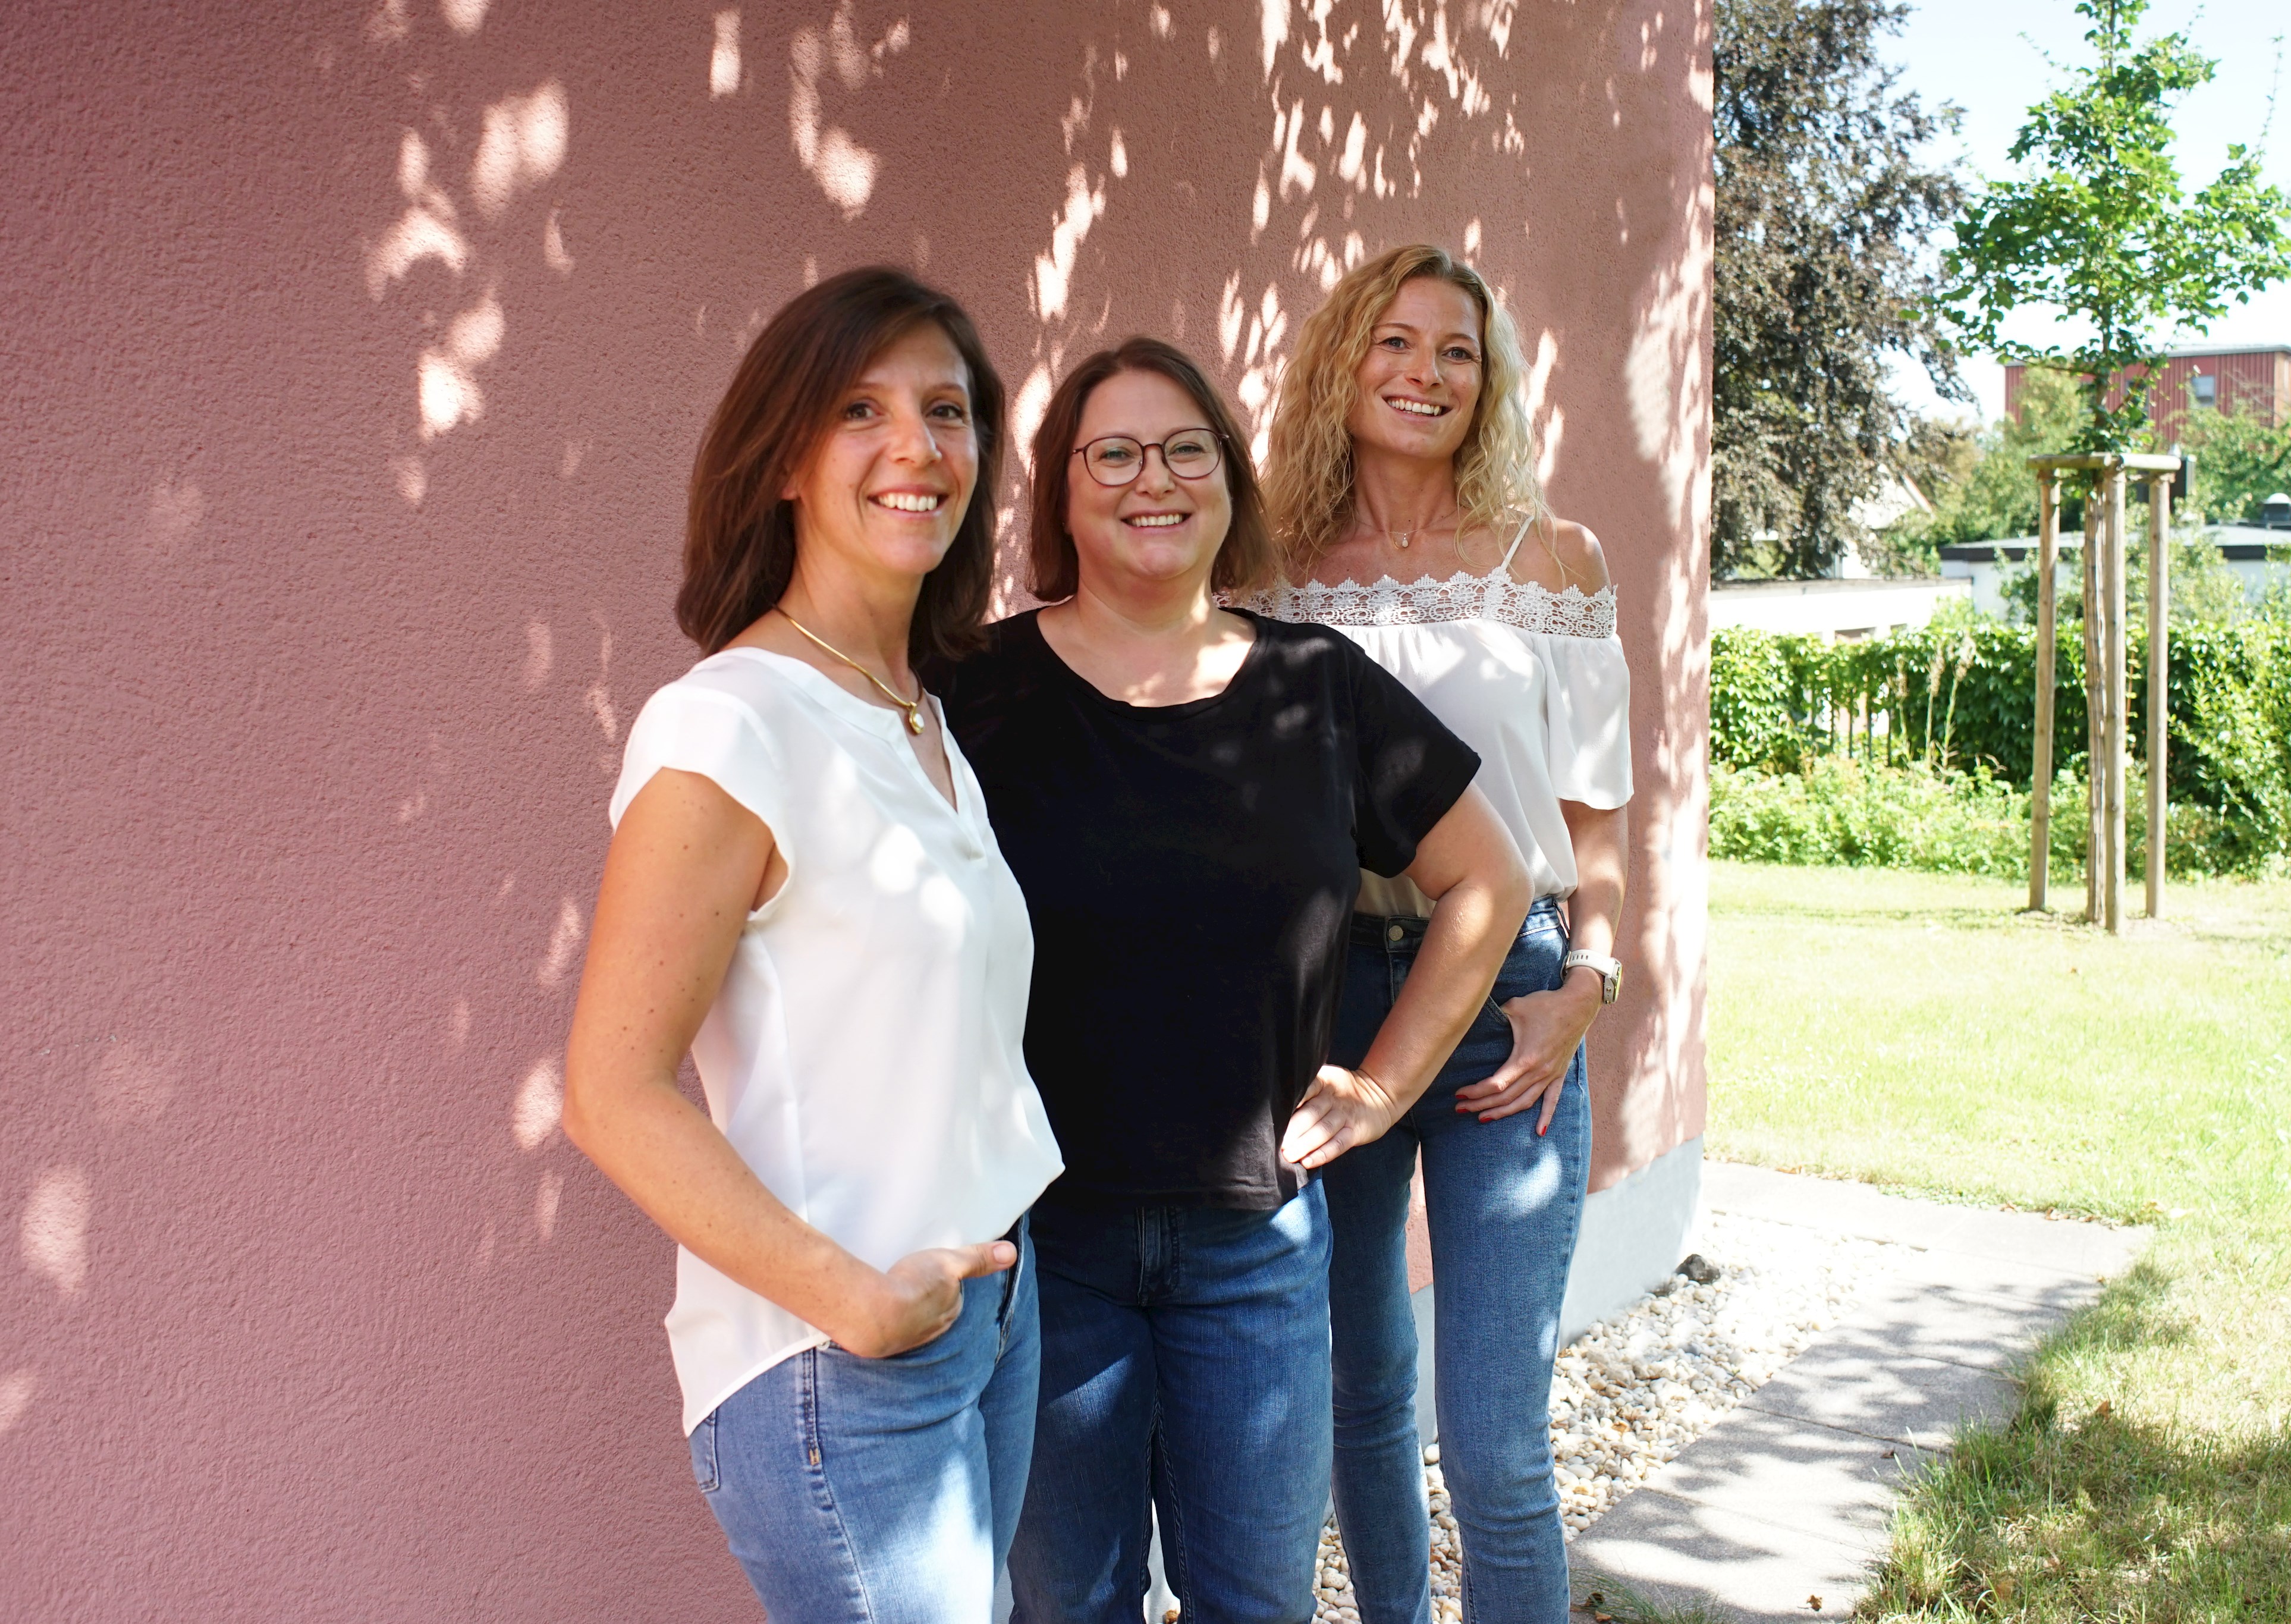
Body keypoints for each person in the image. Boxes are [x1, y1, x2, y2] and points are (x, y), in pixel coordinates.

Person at [929, 336, 1531, 1623]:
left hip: (1253, 1243)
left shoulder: (1313, 688)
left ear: (1227, 483)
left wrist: (1381, 1087)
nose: (1155, 478)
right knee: (1068, 1606)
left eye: (1187, 448)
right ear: (1063, 490)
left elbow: (1491, 879)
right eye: (1115, 453)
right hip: (1044, 1243)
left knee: (1254, 1604)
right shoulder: (967, 692)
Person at [561, 267, 1065, 1622]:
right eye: (860, 409)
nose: (918, 447)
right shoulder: (729, 724)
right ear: (785, 456)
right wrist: (852, 1298)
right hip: (837, 1355)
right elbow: (609, 1089)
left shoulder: (917, 715)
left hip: (986, 1310)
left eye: (946, 411)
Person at [1239, 246, 1632, 1622]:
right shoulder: (1266, 573)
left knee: (1496, 1442)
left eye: (1454, 350)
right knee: (1359, 1397)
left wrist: (1586, 983)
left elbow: (1593, 829)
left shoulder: (1553, 562)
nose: (1423, 373)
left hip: (1513, 1001)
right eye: (1392, 344)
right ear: (1342, 366)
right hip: (1332, 1003)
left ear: (1489, 379)